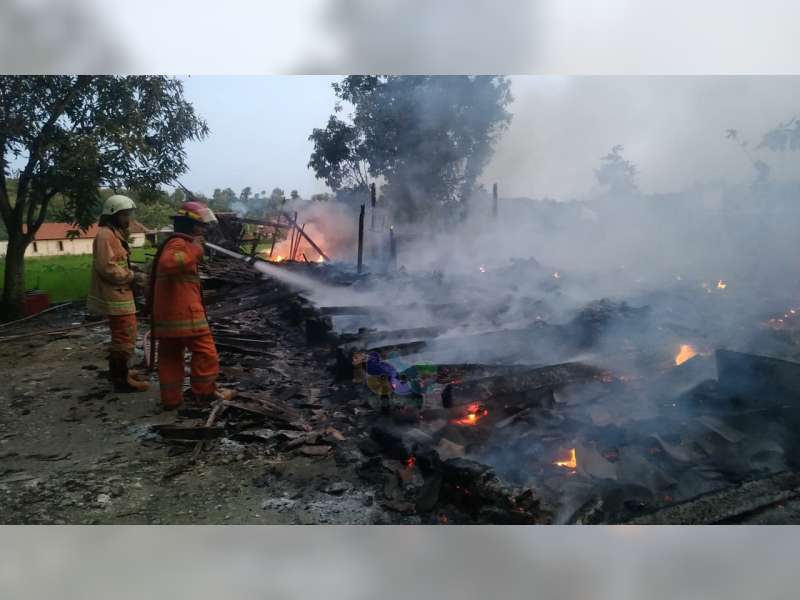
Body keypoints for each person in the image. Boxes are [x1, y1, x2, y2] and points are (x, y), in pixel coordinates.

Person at [149, 200, 236, 409]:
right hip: (186, 315)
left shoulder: (173, 243)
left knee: (170, 356)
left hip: (168, 316)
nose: (203, 230)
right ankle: (204, 394)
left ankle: (171, 400)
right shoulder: (179, 244)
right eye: (200, 226)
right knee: (206, 353)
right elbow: (169, 263)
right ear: (190, 225)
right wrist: (195, 250)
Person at [87, 194, 150, 393]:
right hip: (115, 294)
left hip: (120, 292)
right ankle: (121, 381)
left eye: (128, 214)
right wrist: (132, 276)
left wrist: (133, 270)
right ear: (112, 215)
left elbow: (118, 261)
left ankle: (122, 372)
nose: (128, 219)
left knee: (124, 334)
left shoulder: (115, 234)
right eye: (124, 215)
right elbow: (106, 267)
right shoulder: (105, 235)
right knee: (125, 335)